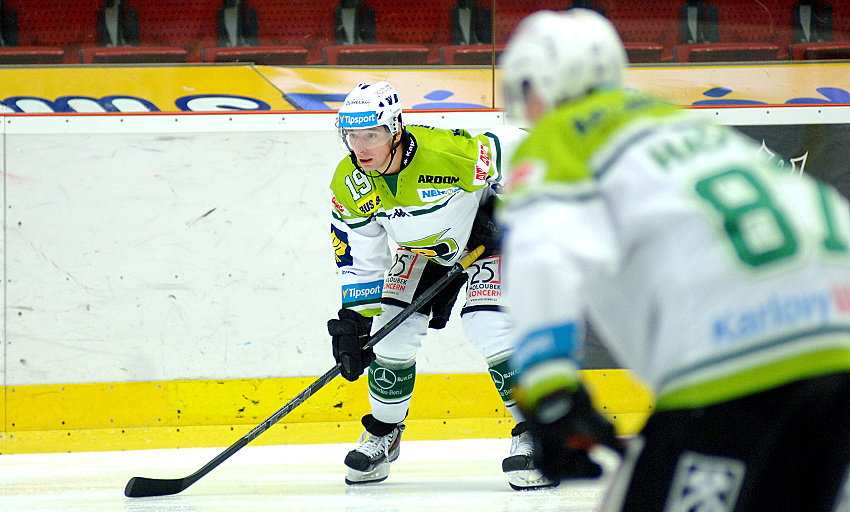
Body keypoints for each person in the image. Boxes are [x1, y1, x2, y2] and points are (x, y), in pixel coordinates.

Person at [498, 8, 850, 512]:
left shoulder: (560, 139)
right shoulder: (689, 126)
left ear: (540, 84)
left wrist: (550, 390)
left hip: (736, 353)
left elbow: (543, 259)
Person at [326, 81, 568, 490]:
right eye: (352, 136)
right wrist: (355, 322)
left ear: (395, 130)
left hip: (490, 240)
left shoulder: (448, 154)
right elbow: (362, 258)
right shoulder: (349, 184)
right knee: (389, 333)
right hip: (426, 252)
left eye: (372, 135)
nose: (361, 147)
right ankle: (384, 432)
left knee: (487, 325)